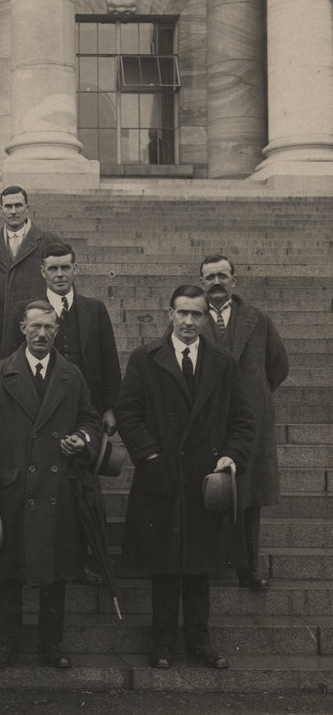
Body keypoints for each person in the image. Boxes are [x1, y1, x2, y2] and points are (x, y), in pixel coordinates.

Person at [116, 285, 255, 670]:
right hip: (161, 475)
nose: (190, 321)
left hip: (204, 479)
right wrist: (151, 453)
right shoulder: (145, 359)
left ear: (206, 317)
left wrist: (231, 455)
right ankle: (161, 640)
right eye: (183, 313)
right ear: (170, 314)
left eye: (197, 314)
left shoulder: (223, 362)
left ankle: (199, 641)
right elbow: (128, 412)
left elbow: (243, 419)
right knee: (163, 566)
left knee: (199, 567)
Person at [0, 300, 102, 670]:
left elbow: (91, 420)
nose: (41, 334)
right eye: (35, 327)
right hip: (13, 487)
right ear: (22, 329)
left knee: (55, 571)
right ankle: (6, 643)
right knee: (9, 572)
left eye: (49, 327)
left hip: (56, 486)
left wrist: (82, 439)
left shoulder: (71, 375)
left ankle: (50, 643)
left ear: (57, 331)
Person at [200, 254, 289, 590]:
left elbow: (277, 366)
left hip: (248, 421)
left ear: (234, 280)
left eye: (223, 275)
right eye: (210, 277)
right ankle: (210, 561)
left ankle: (248, 567)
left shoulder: (258, 319)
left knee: (248, 497)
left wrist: (254, 397)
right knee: (209, 490)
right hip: (206, 420)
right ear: (202, 283)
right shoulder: (190, 318)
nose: (217, 283)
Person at [4, 244, 121, 432]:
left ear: (75, 269)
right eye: (52, 268)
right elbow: (10, 359)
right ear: (43, 272)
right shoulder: (24, 309)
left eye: (65, 267)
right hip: (40, 404)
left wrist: (110, 408)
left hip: (86, 404)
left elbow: (109, 361)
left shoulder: (95, 309)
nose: (59, 274)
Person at [0, 186, 64, 371]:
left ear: (27, 207)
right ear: (0, 210)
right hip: (1, 330)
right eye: (8, 206)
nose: (14, 211)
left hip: (37, 328)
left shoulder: (49, 242)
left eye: (18, 205)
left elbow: (64, 285)